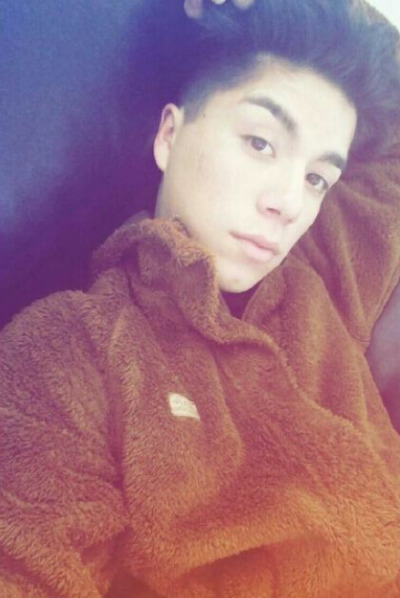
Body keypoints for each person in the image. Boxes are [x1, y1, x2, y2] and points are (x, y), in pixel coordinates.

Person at [0, 0, 399, 596]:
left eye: (317, 177)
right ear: (169, 135)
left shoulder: (323, 270)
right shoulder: (69, 348)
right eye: (260, 143)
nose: (289, 203)